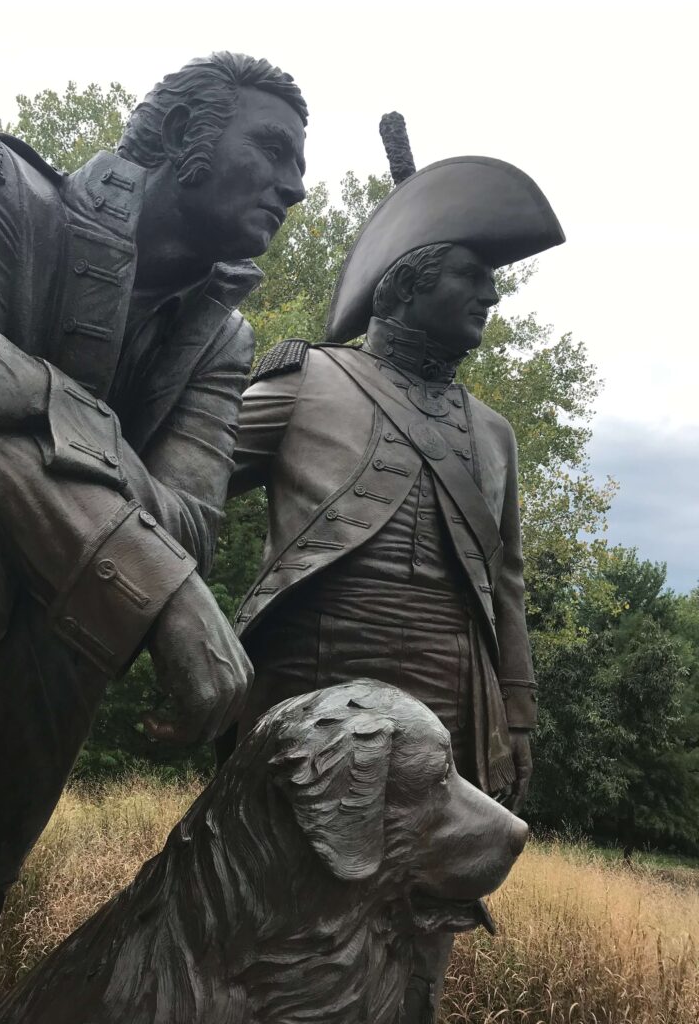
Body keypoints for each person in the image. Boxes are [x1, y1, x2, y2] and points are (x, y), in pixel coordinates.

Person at [0, 51, 306, 1019]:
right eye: (270, 149)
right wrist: (75, 409)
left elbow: (187, 519)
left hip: (62, 616)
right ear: (183, 139)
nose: (296, 184)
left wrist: (16, 398)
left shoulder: (221, 338)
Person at [225, 156, 564, 1022]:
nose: (491, 298)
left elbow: (507, 583)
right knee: (279, 904)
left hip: (451, 696)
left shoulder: (493, 435)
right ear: (410, 280)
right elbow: (188, 477)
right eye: (472, 278)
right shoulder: (310, 381)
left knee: (417, 919)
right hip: (315, 681)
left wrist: (516, 714)